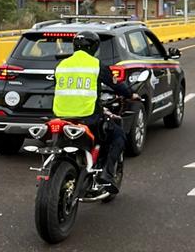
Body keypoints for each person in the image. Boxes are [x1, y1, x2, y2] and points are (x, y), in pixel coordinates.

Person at [52, 30, 139, 195]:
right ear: (94, 47)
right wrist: (131, 94)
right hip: (88, 118)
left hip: (61, 117)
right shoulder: (95, 65)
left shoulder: (61, 65)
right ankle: (107, 174)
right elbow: (116, 85)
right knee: (118, 135)